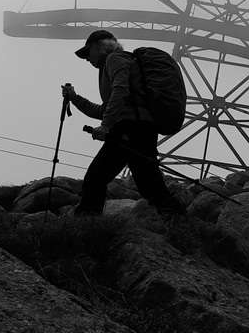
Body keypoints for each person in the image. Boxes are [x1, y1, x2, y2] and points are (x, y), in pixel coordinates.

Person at [62, 30, 184, 217]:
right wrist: (74, 98)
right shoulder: (117, 62)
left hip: (129, 128)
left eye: (88, 52)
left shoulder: (114, 59)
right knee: (149, 183)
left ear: (100, 47)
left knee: (96, 177)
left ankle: (86, 222)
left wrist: (106, 126)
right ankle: (180, 220)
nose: (86, 58)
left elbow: (121, 90)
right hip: (142, 128)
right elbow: (105, 110)